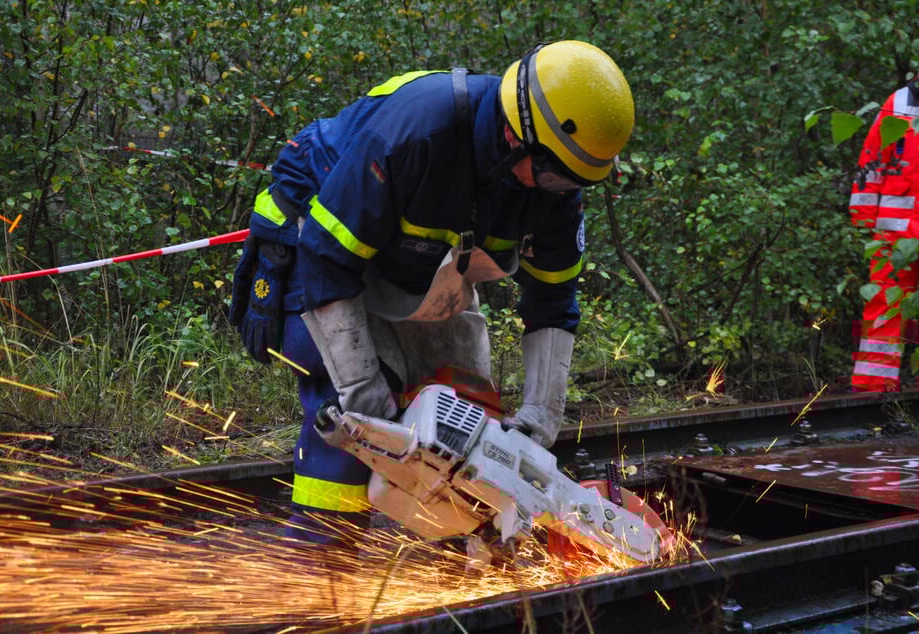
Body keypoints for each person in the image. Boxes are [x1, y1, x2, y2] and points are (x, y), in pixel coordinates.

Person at [228, 40, 634, 546]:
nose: (559, 190)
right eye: (553, 175)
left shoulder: (555, 189)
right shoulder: (418, 131)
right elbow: (329, 262)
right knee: (353, 413)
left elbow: (552, 301)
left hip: (416, 262)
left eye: (575, 182)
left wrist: (540, 415)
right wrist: (366, 395)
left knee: (466, 403)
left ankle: (452, 548)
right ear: (515, 134)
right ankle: (322, 552)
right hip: (316, 243)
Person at [849, 32, 919, 392]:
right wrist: (865, 218)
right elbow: (872, 162)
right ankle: (872, 392)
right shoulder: (899, 102)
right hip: (892, 232)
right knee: (883, 311)